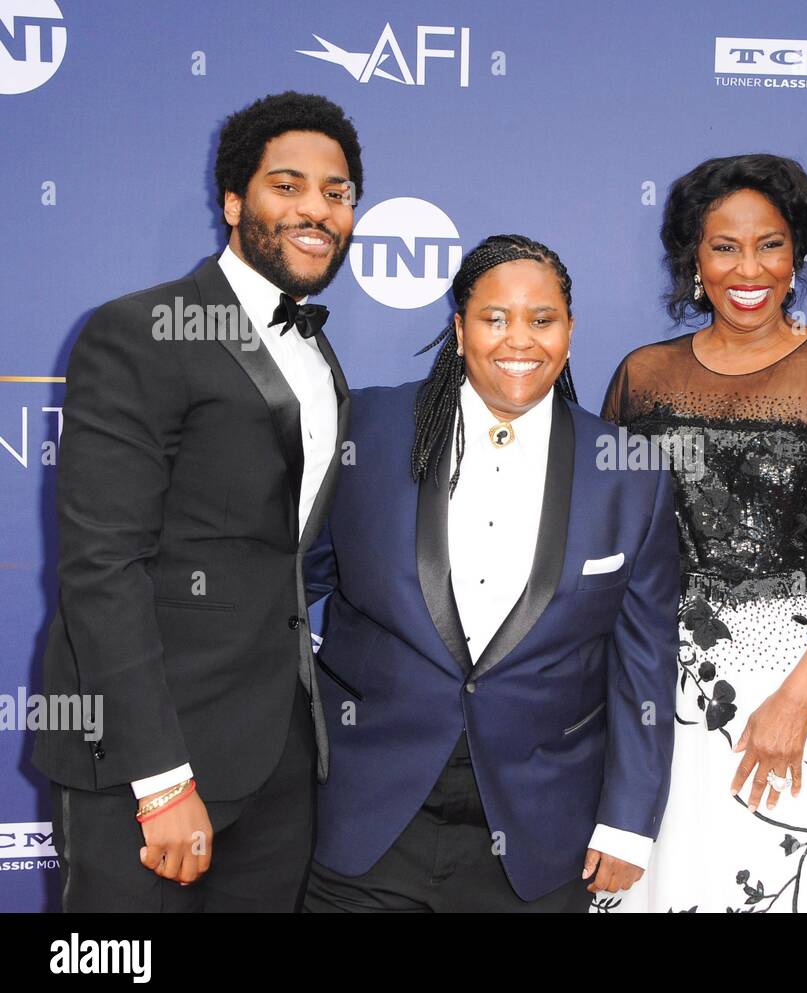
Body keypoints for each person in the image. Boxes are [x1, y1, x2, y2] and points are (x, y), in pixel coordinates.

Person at [33, 91, 362, 911]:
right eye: (287, 186)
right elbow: (103, 565)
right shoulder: (138, 330)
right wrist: (160, 778)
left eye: (338, 191)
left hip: (280, 758)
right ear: (232, 202)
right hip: (151, 760)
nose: (316, 209)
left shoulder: (319, 354)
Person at [301, 234, 679, 912]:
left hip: (540, 838)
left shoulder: (630, 471)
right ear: (457, 327)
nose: (520, 340)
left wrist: (629, 819)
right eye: (494, 317)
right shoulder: (368, 428)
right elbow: (290, 594)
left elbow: (643, 660)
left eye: (543, 319)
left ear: (569, 330)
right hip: (367, 818)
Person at [599, 154, 807, 912]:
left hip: (805, 675)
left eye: (770, 244)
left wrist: (794, 698)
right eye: (724, 246)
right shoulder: (642, 375)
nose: (750, 267)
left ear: (798, 253)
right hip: (663, 682)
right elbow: (603, 541)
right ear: (693, 258)